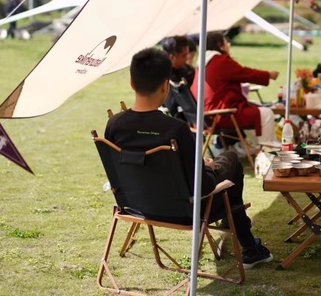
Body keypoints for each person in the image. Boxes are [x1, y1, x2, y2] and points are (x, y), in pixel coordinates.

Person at [105, 48, 273, 268]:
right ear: (166, 86)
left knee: (217, 170)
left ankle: (245, 240)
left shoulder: (114, 126)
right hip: (186, 211)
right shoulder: (176, 129)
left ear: (132, 83)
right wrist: (209, 168)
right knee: (230, 159)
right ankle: (249, 246)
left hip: (135, 205)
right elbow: (202, 187)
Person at [191, 31, 279, 150]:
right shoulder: (220, 61)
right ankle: (269, 151)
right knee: (266, 113)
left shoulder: (203, 62)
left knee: (258, 110)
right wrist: (268, 74)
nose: (228, 45)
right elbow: (245, 73)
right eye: (226, 42)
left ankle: (256, 149)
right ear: (220, 45)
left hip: (205, 116)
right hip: (220, 115)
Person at [161, 35, 196, 118]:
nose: (187, 58)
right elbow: (171, 106)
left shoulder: (188, 71)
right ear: (172, 57)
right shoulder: (161, 75)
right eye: (184, 56)